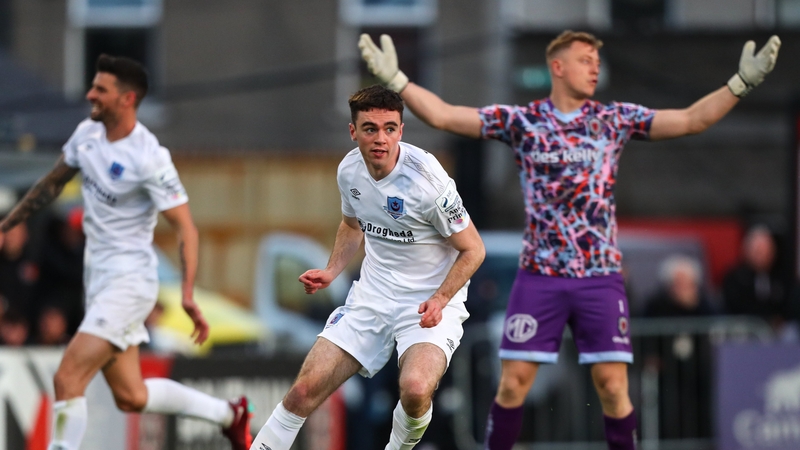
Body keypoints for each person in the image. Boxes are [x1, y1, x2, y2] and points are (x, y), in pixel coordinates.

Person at [359, 30, 780, 449]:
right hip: (540, 276)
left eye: (597, 61)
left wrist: (739, 84)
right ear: (557, 67)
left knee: (613, 386)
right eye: (585, 59)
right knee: (513, 384)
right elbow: (445, 116)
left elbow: (692, 120)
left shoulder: (613, 119)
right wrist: (397, 81)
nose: (595, 67)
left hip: (600, 277)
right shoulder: (523, 121)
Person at [0, 54, 252, 450]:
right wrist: (9, 223)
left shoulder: (149, 157)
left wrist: (186, 294)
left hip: (129, 284)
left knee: (68, 377)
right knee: (130, 395)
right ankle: (228, 414)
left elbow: (185, 227)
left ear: (127, 98)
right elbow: (51, 184)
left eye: (101, 89)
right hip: (98, 282)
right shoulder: (86, 135)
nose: (90, 94)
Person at [249, 85, 485, 450]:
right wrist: (331, 270)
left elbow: (473, 249)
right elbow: (351, 225)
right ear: (353, 131)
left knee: (416, 389)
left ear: (401, 131)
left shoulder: (428, 182)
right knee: (302, 391)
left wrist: (440, 299)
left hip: (430, 304)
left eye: (390, 128)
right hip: (372, 297)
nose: (381, 138)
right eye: (370, 128)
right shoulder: (349, 171)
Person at [723, 225, 789, 329]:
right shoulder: (734, 278)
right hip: (744, 330)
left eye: (766, 250)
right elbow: (732, 309)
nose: (762, 255)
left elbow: (788, 306)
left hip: (778, 332)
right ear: (747, 251)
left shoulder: (783, 277)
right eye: (758, 251)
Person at [643, 255, 715, 318]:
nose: (684, 288)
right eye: (679, 283)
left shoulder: (706, 305)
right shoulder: (655, 306)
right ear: (669, 286)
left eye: (688, 283)